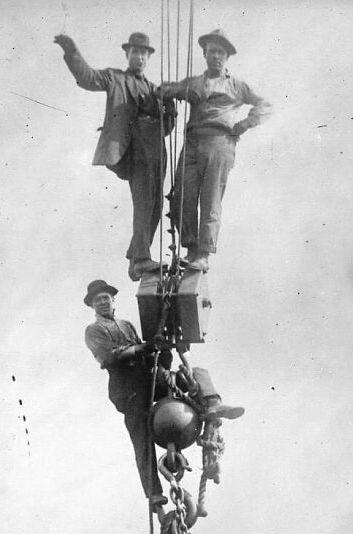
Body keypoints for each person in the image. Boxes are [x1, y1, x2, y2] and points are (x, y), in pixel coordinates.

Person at [83, 279, 244, 506]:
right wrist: (144, 348)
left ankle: (213, 404)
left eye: (105, 298)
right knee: (142, 441)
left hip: (149, 380)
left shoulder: (126, 325)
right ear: (92, 305)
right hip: (129, 391)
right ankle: (154, 493)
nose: (102, 302)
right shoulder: (94, 331)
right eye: (97, 300)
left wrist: (162, 350)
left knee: (196, 373)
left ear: (112, 300)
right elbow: (110, 356)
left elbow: (148, 356)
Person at [54, 31, 175, 281]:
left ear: (148, 57)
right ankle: (141, 258)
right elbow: (88, 77)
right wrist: (70, 50)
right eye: (135, 52)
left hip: (156, 149)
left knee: (156, 206)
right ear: (127, 54)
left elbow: (167, 127)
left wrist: (170, 109)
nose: (139, 57)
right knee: (144, 202)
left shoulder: (155, 89)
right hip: (137, 149)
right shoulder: (115, 78)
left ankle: (137, 257)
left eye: (144, 54)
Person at [158, 29, 271, 272]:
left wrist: (244, 125)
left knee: (210, 199)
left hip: (219, 142)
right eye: (212, 52)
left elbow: (265, 104)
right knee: (182, 196)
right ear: (204, 54)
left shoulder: (237, 86)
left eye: (221, 52)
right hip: (192, 142)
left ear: (227, 57)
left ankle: (204, 254)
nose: (216, 56)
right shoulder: (194, 83)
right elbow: (165, 90)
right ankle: (190, 248)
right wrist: (173, 95)